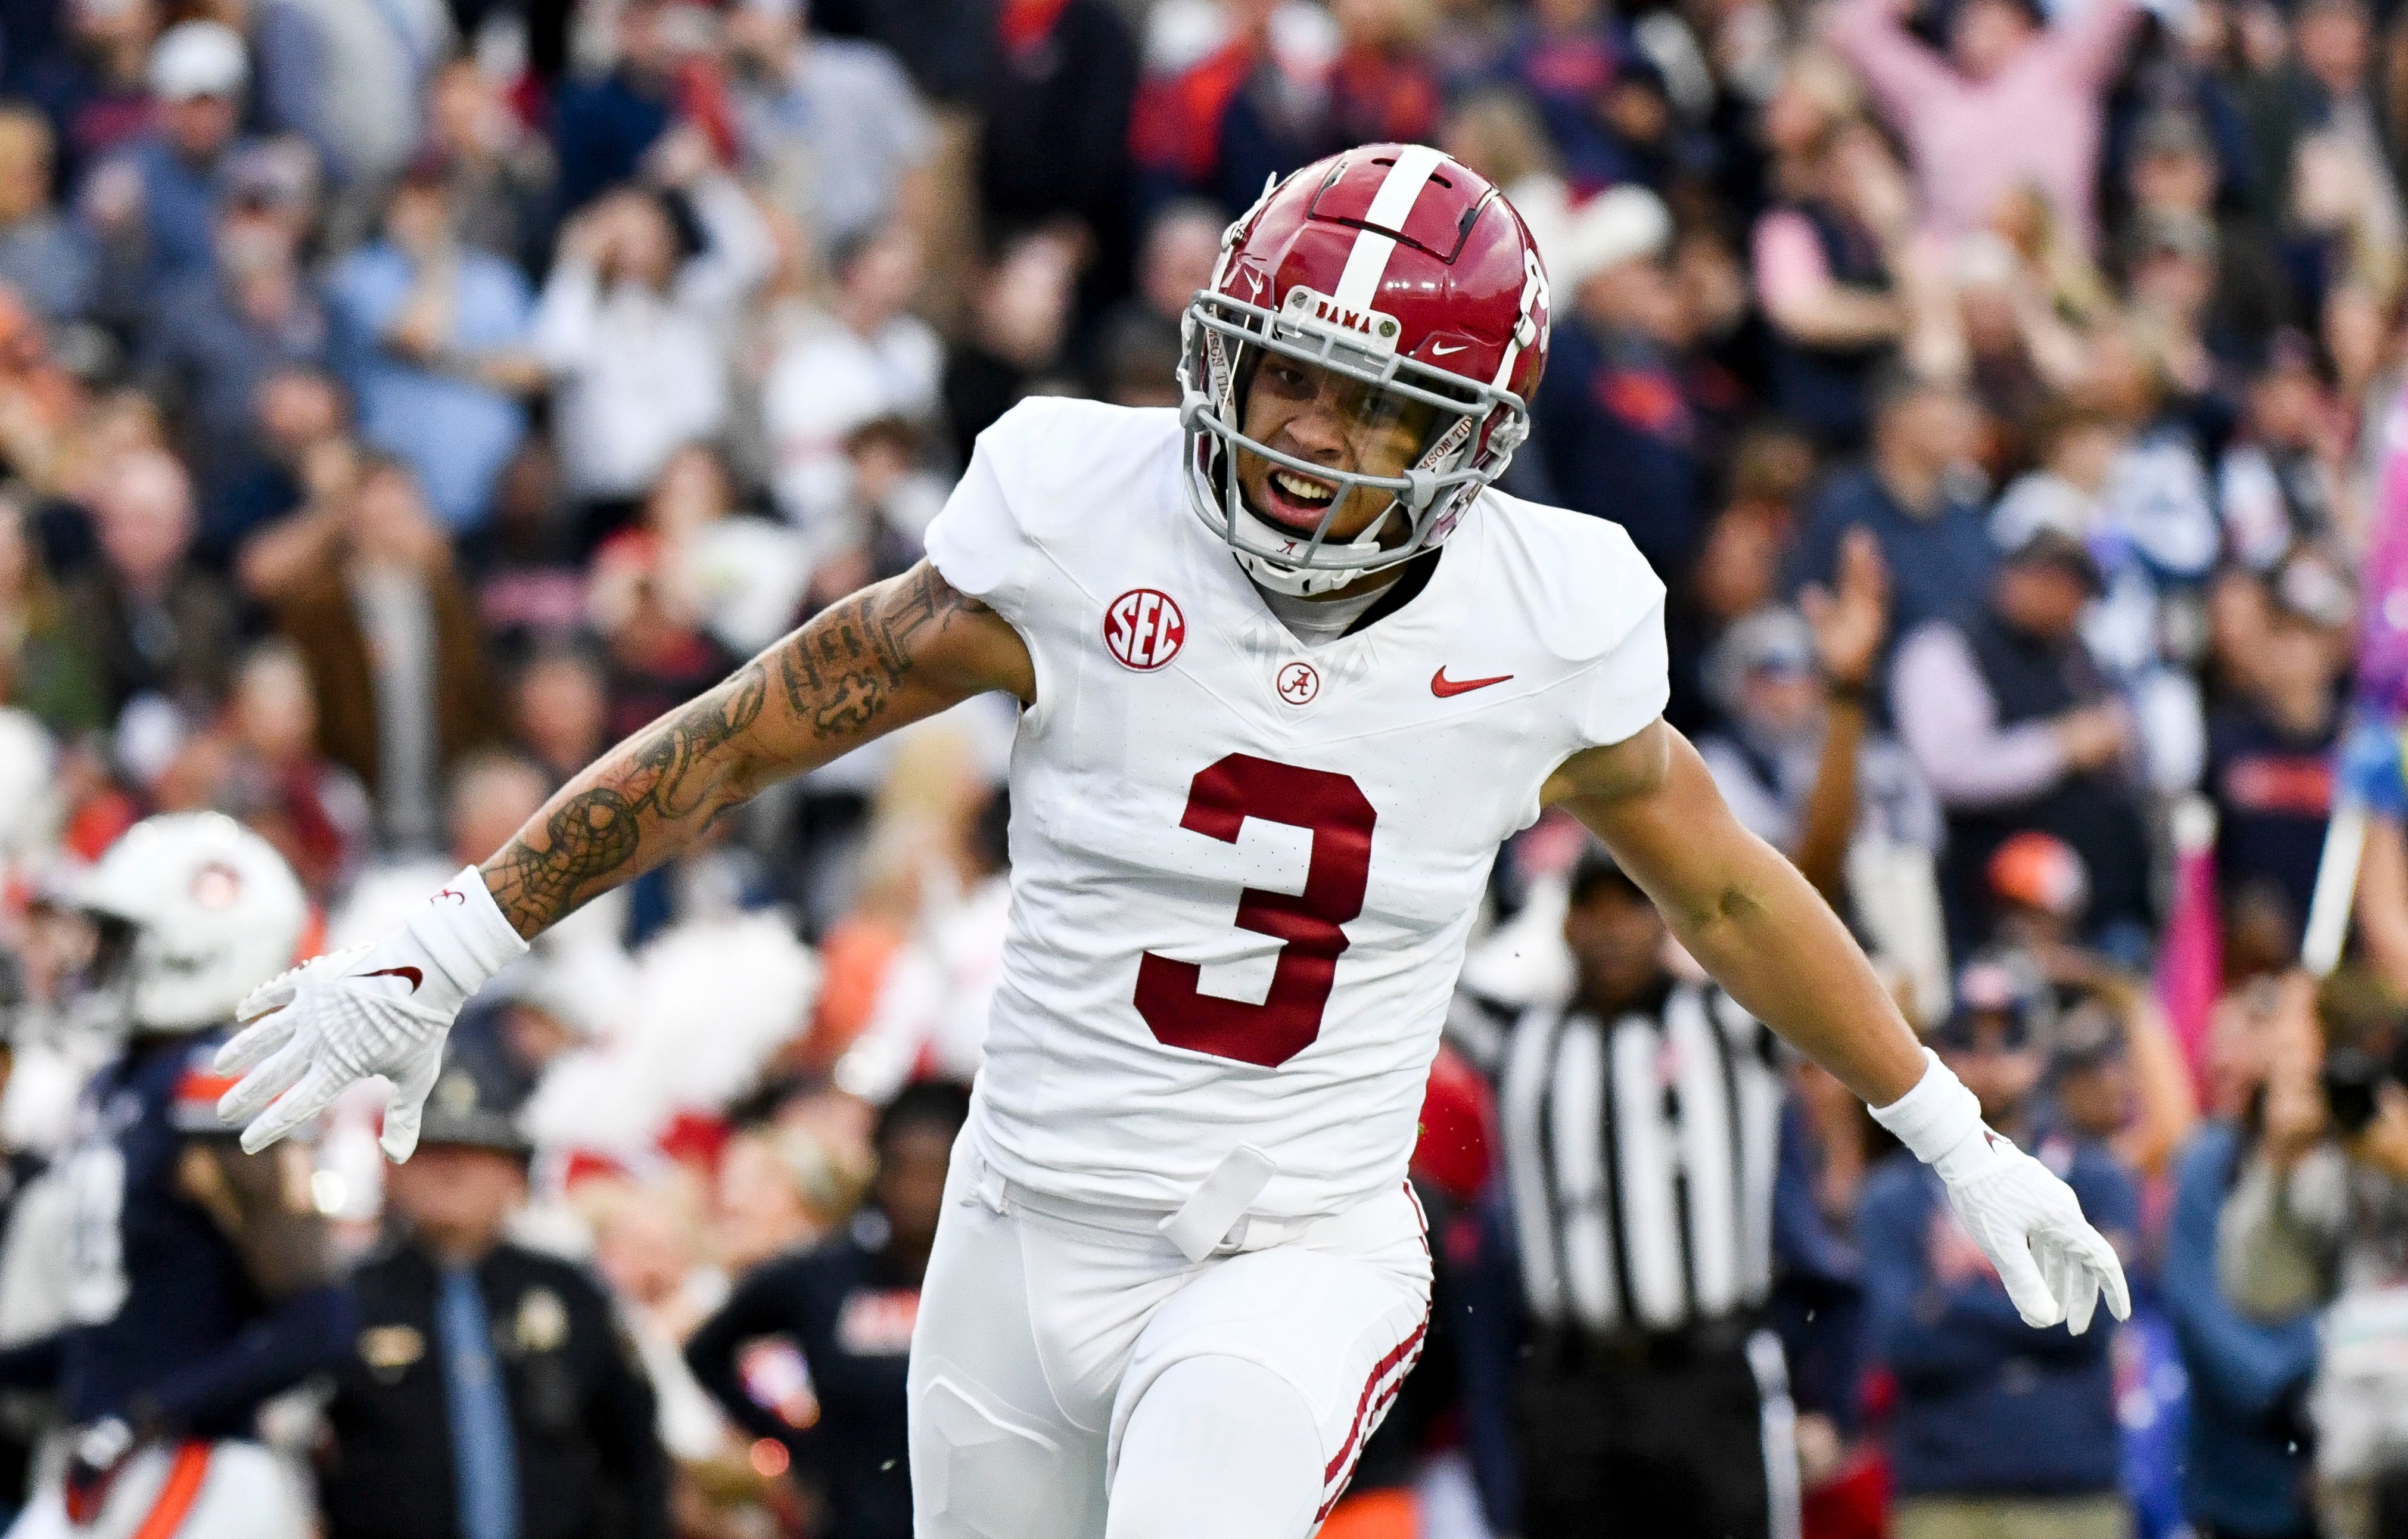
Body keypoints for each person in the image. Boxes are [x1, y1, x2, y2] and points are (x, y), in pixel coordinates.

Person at [212, 143, 2129, 1539]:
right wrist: (457, 938)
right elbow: (751, 729)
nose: (1299, 429)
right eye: (1280, 367)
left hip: (1287, 1246)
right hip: (1016, 1226)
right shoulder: (1076, 510)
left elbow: (1720, 881)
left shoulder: (1550, 620)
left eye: (1369, 406)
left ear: (1470, 437)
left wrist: (1948, 1134)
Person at [0, 814, 349, 1539]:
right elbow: (126, 1329)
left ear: (193, 951)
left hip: (198, 1469)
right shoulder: (123, 1087)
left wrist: (143, 1416)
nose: (91, 958)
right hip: (117, 1459)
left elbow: (319, 1323)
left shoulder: (216, 1089)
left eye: (117, 938)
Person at [1483, 845, 1799, 1539]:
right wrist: (1536, 919)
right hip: (1570, 1382)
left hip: (1705, 1374)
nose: (1609, 928)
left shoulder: (1725, 1023)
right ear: (1561, 925)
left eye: (1630, 905)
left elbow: (1799, 922)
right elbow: (1447, 978)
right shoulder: (1520, 1036)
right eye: (1586, 910)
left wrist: (1843, 734)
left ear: (1662, 919)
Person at [316, 1047, 672, 1539]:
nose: (452, 1170)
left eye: (478, 1150)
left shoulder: (571, 1292)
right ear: (390, 1170)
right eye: (429, 1149)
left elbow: (634, 1449)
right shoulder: (346, 1299)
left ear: (516, 1174)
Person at [1856, 966, 2141, 1539]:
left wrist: (1954, 1296)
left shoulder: (2094, 1176)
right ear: (1940, 1054)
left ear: (2038, 1053)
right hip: (1943, 1493)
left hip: (2072, 1491)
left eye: (2008, 1039)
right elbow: (1898, 1339)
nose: (1989, 1058)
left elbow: (2098, 1322)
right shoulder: (1894, 1193)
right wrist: (2037, 1296)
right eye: (1969, 1039)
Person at [685, 1081, 969, 1539]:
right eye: (902, 1168)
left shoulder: (988, 1283)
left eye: (933, 1172)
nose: (916, 1191)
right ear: (877, 1167)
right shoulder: (824, 1275)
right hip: (848, 1520)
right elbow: (705, 1351)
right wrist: (798, 1448)